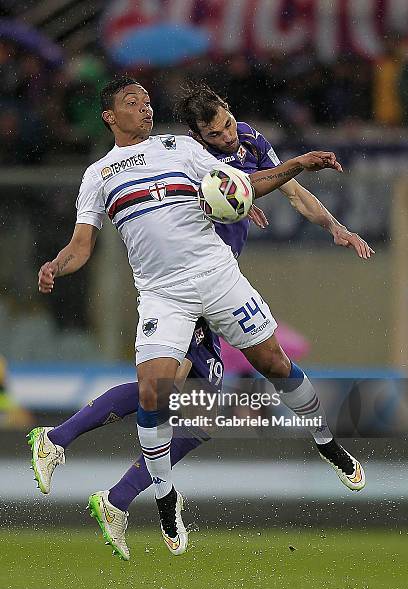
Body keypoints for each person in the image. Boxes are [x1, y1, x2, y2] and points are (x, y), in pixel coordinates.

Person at [31, 76, 372, 559]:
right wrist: (55, 266)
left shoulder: (178, 149)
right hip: (162, 296)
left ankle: (325, 441)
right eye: (133, 102)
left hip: (216, 275)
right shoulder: (98, 175)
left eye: (148, 102)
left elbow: (242, 185)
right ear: (109, 115)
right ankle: (156, 494)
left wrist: (297, 165)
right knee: (158, 394)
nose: (145, 109)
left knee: (270, 367)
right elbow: (81, 246)